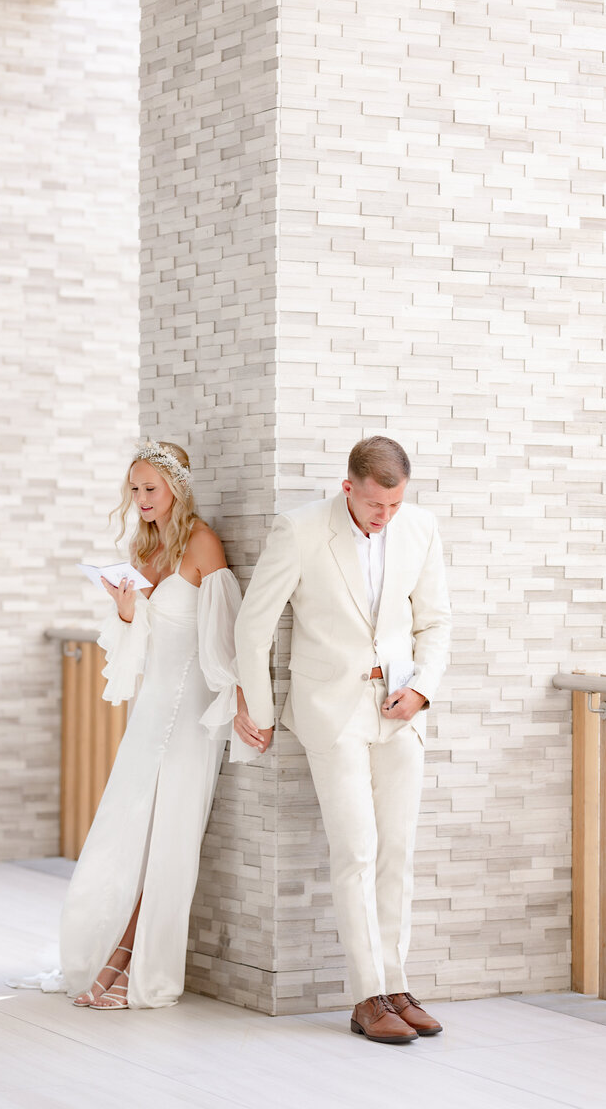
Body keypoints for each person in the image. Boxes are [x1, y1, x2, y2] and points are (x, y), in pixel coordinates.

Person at [233, 436, 451, 1044]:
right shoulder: (299, 530)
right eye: (377, 504)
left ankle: (396, 983)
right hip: (333, 714)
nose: (386, 517)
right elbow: (254, 625)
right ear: (348, 485)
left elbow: (435, 622)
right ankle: (367, 995)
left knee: (397, 853)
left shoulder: (421, 530)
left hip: (401, 713)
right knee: (355, 851)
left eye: (397, 504)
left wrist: (423, 691)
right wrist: (260, 707)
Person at [60, 440, 258, 1010]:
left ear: (176, 486)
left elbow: (229, 636)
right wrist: (126, 610)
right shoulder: (142, 546)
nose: (141, 499)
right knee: (129, 832)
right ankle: (109, 951)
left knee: (167, 840)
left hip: (192, 713)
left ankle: (132, 964)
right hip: (151, 711)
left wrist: (244, 702)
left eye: (150, 488)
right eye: (135, 490)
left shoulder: (203, 543)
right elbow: (137, 647)